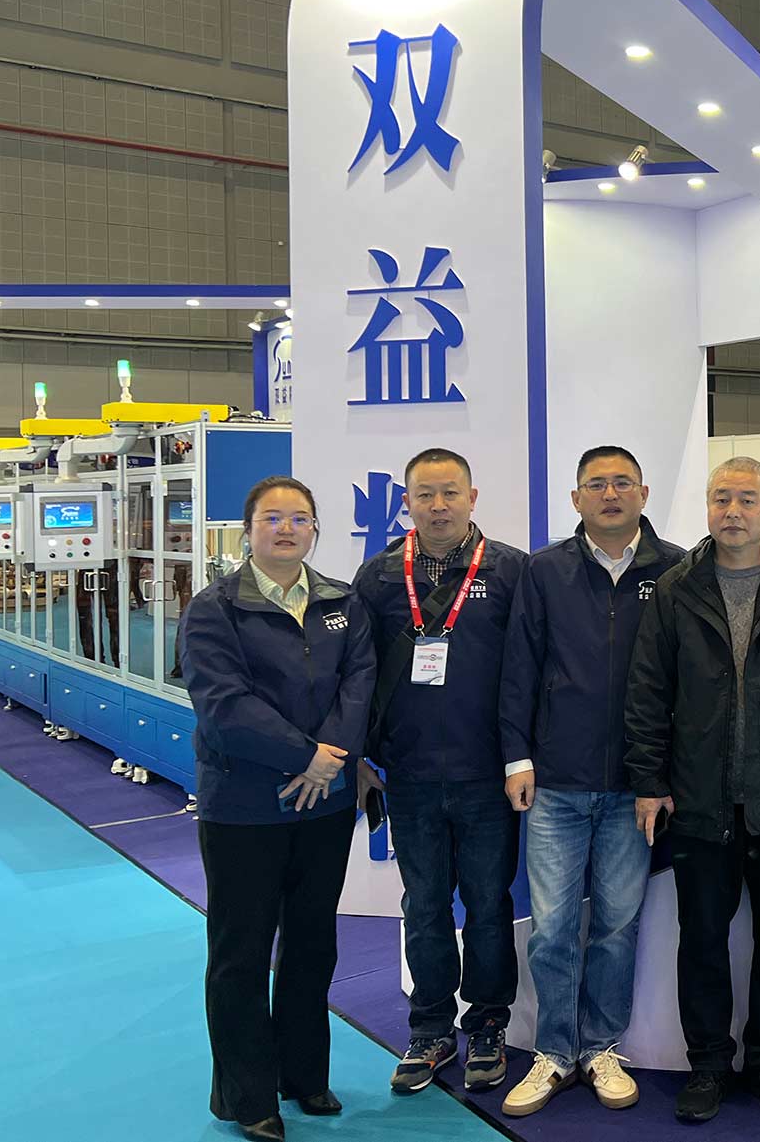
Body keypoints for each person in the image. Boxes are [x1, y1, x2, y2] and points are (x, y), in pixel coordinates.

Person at [623, 456, 760, 1123]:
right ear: (707, 506)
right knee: (701, 940)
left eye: (748, 499)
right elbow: (647, 690)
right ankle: (708, 1066)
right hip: (699, 798)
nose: (733, 511)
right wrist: (650, 780)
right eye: (722, 498)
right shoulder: (677, 588)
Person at [179, 476, 375, 1142]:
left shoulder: (342, 602)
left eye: (299, 518)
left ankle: (304, 1074)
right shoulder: (213, 610)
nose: (286, 528)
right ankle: (248, 1095)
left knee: (313, 942)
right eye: (272, 518)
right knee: (240, 951)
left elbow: (360, 682)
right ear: (248, 531)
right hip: (243, 807)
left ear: (315, 529)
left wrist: (332, 758)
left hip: (324, 807)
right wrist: (306, 757)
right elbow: (225, 705)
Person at [496, 446, 683, 1116]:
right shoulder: (544, 570)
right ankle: (554, 1051)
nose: (610, 493)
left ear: (644, 493)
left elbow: (686, 679)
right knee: (551, 929)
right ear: (576, 498)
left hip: (637, 787)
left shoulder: (676, 569)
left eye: (622, 482)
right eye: (596, 484)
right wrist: (517, 757)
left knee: (615, 927)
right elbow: (519, 667)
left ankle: (601, 1047)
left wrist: (664, 773)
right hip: (557, 782)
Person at [352, 449, 528, 1096]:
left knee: (487, 905)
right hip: (411, 774)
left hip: (487, 774)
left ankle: (487, 1025)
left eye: (450, 492)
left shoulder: (510, 571)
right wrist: (361, 755)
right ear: (407, 503)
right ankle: (429, 1028)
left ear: (472, 497)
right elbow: (358, 673)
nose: (438, 505)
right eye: (425, 494)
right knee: (423, 906)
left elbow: (528, 672)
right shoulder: (377, 577)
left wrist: (521, 757)